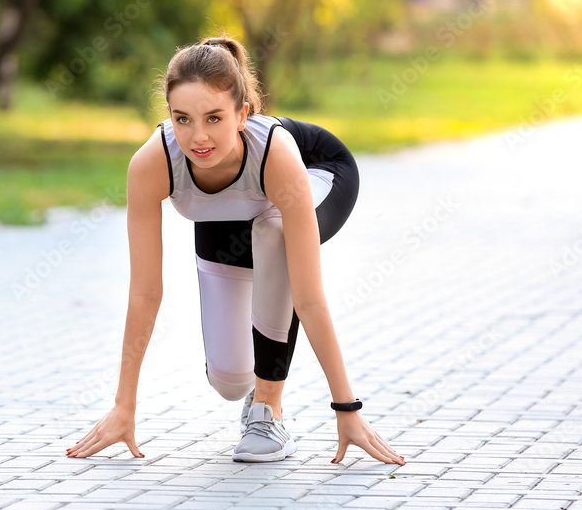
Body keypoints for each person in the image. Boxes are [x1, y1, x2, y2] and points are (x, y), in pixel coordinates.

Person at [67, 35, 405, 465]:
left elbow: (309, 297)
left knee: (274, 232)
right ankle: (250, 393)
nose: (198, 136)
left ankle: (268, 409)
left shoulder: (276, 154)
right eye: (182, 119)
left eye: (214, 117)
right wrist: (123, 406)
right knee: (228, 380)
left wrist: (347, 410)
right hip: (233, 215)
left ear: (242, 114)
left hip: (320, 173)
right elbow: (145, 293)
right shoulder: (152, 164)